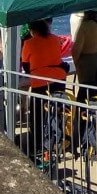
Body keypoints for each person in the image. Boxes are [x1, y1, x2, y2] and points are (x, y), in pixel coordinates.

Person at [21, 19, 68, 158]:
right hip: (59, 79)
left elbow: (25, 66)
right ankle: (57, 141)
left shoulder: (28, 43)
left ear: (32, 30)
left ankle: (35, 145)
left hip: (40, 82)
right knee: (57, 112)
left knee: (37, 115)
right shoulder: (55, 39)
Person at [70, 9, 97, 99]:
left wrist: (77, 65)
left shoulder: (85, 26)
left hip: (89, 68)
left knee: (86, 96)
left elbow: (75, 51)